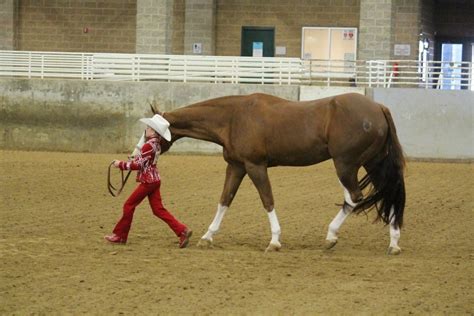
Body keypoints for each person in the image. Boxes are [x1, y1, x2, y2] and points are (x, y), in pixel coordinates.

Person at [104, 114, 192, 248]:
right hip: (154, 180)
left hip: (148, 182)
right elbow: (144, 161)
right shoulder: (156, 144)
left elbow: (138, 165)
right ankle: (182, 231)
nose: (146, 129)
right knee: (158, 210)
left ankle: (120, 235)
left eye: (148, 127)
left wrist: (120, 164)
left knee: (129, 205)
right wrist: (135, 159)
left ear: (152, 131)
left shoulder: (147, 146)